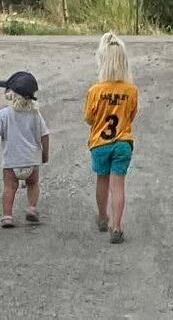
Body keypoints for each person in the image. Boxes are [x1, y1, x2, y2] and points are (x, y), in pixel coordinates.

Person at [0, 72, 50, 228]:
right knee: (33, 184)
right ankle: (32, 208)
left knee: (9, 187)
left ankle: (7, 216)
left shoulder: (4, 114)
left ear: (11, 95)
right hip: (31, 160)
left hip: (11, 161)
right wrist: (45, 154)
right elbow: (44, 135)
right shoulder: (35, 114)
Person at [84, 32, 138, 244]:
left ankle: (102, 217)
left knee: (102, 180)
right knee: (119, 186)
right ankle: (117, 227)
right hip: (123, 143)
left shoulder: (95, 91)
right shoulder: (131, 90)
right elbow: (131, 115)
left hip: (100, 143)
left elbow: (89, 118)